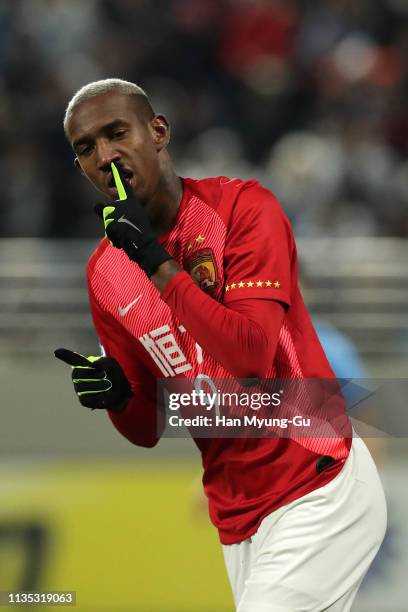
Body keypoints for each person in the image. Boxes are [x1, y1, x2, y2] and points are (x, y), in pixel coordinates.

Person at [55, 78, 386, 612]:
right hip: (237, 514)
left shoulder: (243, 211)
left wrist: (158, 264)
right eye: (86, 148)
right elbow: (145, 428)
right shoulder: (106, 274)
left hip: (318, 484)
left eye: (117, 133)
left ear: (157, 131)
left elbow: (251, 355)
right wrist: (116, 394)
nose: (106, 156)